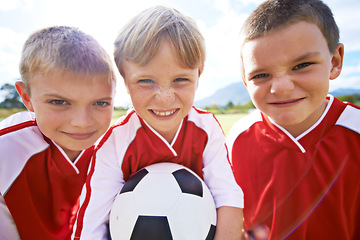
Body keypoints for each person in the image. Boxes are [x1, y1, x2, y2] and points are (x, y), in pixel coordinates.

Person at [72, 5, 244, 240]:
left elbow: (228, 198)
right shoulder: (115, 141)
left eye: (181, 79)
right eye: (145, 81)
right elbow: (91, 224)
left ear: (199, 76)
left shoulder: (207, 128)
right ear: (124, 81)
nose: (164, 97)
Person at [226, 0, 360, 239]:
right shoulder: (237, 139)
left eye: (302, 65)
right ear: (245, 81)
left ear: (335, 61)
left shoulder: (355, 131)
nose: (281, 87)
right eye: (261, 74)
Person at [0, 26, 116, 240]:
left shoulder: (118, 147)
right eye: (59, 102)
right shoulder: (6, 151)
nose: (82, 122)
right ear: (27, 98)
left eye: (100, 103)